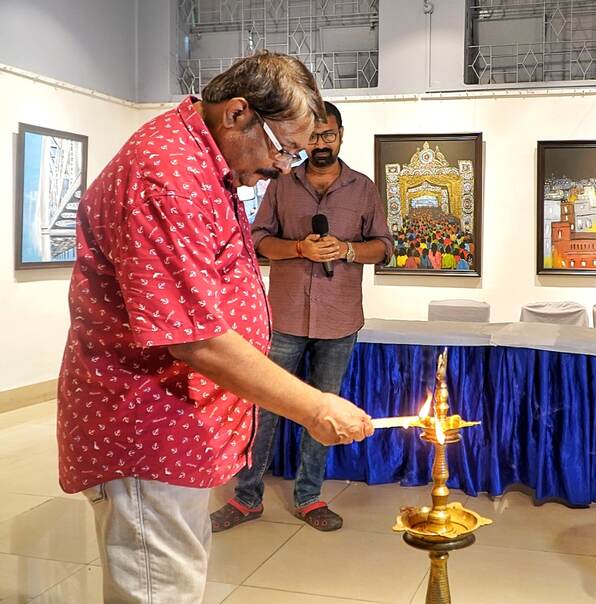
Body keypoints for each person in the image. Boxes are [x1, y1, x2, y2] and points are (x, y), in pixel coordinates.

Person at [57, 52, 374, 603]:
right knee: (160, 590)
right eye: (284, 148)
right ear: (238, 114)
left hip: (174, 428)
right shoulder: (168, 176)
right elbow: (194, 336)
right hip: (146, 429)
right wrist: (316, 408)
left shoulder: (199, 159)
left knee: (174, 576)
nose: (283, 167)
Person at [210, 101, 392, 533]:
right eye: (314, 137)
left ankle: (310, 497)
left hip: (340, 320)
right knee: (264, 407)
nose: (321, 144)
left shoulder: (363, 188)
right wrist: (298, 248)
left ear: (342, 135)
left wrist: (346, 250)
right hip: (284, 318)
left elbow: (383, 246)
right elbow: (256, 240)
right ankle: (246, 497)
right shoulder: (281, 184)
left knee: (324, 409)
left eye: (328, 135)